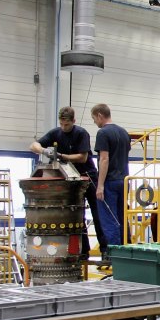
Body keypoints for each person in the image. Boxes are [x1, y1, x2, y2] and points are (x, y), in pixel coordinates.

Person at [30, 106, 105, 257]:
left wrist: (61, 156)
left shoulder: (81, 133)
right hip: (71, 179)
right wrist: (43, 150)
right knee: (77, 215)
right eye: (62, 124)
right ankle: (83, 250)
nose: (64, 127)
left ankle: (105, 249)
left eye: (67, 125)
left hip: (88, 177)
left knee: (98, 215)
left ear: (73, 121)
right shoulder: (55, 133)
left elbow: (82, 157)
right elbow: (33, 145)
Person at [90, 103, 131, 251]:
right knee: (121, 218)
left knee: (109, 220)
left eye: (94, 118)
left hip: (110, 182)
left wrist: (100, 185)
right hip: (124, 181)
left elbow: (104, 159)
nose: (95, 122)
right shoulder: (124, 133)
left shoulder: (103, 133)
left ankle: (115, 257)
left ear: (100, 115)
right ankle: (127, 254)